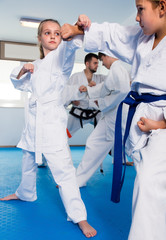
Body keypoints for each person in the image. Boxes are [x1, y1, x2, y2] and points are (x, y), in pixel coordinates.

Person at [61, 1, 166, 239]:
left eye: (141, 9)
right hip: (138, 117)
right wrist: (80, 30)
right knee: (148, 183)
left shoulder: (118, 69)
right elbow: (114, 34)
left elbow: (117, 94)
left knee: (149, 183)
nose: (137, 17)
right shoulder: (143, 39)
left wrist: (161, 124)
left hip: (155, 122)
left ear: (162, 7)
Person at [0, 18, 97, 238]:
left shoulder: (62, 56)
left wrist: (74, 29)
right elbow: (18, 81)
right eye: (47, 33)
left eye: (56, 32)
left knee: (63, 171)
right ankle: (25, 193)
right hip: (34, 120)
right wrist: (25, 69)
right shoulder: (37, 63)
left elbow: (71, 46)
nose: (53, 36)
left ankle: (79, 216)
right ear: (39, 38)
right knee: (27, 159)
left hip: (52, 121)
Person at [75, 53, 131, 187]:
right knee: (95, 143)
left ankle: (77, 181)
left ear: (107, 55)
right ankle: (78, 180)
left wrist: (101, 103)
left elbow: (121, 91)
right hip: (113, 114)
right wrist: (89, 90)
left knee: (134, 147)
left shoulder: (117, 69)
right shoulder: (117, 69)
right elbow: (107, 87)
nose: (102, 64)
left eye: (101, 60)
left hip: (115, 116)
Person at [67, 53, 105, 136]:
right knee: (65, 133)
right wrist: (73, 101)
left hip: (95, 112)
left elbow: (112, 81)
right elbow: (67, 93)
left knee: (105, 133)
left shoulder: (100, 78)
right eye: (95, 63)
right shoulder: (75, 77)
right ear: (87, 64)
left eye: (98, 63)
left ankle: (105, 149)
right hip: (78, 112)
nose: (97, 65)